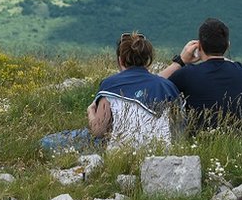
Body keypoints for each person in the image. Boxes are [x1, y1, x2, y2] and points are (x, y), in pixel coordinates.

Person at [41, 31, 181, 152]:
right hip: (159, 149)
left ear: (120, 60)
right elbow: (179, 127)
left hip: (119, 150)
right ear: (147, 60)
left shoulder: (110, 84)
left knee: (46, 142)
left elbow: (99, 131)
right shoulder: (167, 86)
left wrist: (91, 112)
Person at [159, 18, 242, 133]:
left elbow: (154, 85)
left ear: (199, 47)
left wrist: (180, 61)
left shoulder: (187, 74)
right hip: (238, 145)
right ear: (227, 46)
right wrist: (228, 61)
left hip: (198, 143)